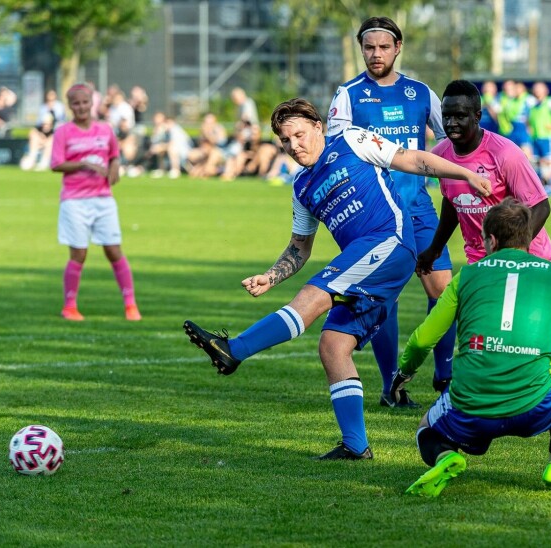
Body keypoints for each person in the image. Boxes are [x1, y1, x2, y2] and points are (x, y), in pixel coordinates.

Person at [183, 98, 491, 461]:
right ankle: (356, 445)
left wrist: (464, 174)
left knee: (312, 296)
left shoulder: (351, 140)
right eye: (285, 140)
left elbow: (411, 159)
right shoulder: (302, 186)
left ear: (318, 127)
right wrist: (271, 276)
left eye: (299, 135)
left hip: (388, 241)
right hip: (367, 264)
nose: (294, 145)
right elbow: (299, 248)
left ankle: (235, 350)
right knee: (332, 346)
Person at [391, 199, 551, 497]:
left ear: (491, 240)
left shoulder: (467, 276)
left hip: (472, 409)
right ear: (529, 238)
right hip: (534, 406)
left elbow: (423, 340)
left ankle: (445, 457)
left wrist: (404, 373)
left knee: (426, 427)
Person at [422, 80, 551, 426]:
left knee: (530, 336)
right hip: (481, 259)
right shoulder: (441, 155)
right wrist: (434, 249)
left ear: (478, 116)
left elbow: (541, 206)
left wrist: (515, 253)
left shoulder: (505, 154)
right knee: (498, 337)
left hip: (530, 255)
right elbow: (452, 203)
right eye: (447, 115)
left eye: (460, 115)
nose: (452, 122)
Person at [327, 16, 456, 408]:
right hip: (375, 215)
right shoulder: (348, 95)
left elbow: (449, 143)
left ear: (398, 47)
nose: (376, 54)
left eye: (384, 47)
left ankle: (445, 378)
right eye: (369, 47)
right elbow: (335, 155)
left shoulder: (421, 93)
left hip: (418, 208)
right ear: (361, 49)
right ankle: (391, 388)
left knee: (445, 292)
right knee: (387, 299)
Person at [50, 83, 141, 322]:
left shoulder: (105, 129)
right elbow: (56, 164)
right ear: (70, 106)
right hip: (74, 201)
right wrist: (84, 163)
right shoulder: (63, 132)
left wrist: (115, 167)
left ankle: (131, 305)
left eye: (85, 102)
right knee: (79, 253)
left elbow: (114, 155)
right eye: (76, 103)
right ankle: (69, 307)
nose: (81, 107)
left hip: (103, 199)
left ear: (92, 103)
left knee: (114, 250)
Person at [21, 90, 67, 171]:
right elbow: (39, 124)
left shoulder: (59, 107)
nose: (50, 102)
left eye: (52, 100)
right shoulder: (43, 108)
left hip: (55, 134)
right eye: (48, 100)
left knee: (51, 140)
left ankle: (44, 162)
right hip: (43, 133)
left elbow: (61, 123)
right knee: (33, 134)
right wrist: (41, 134)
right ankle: (32, 157)